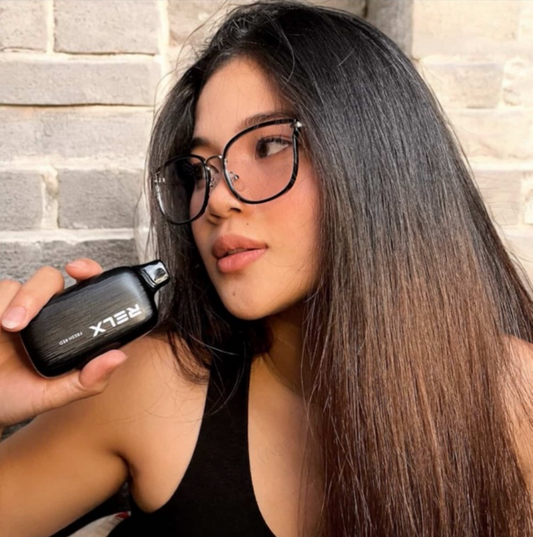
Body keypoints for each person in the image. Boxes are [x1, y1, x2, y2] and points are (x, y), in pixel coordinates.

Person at [1, 1, 533, 536]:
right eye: (199, 170)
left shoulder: (518, 398)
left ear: (374, 159)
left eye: (270, 145)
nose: (215, 200)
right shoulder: (148, 387)